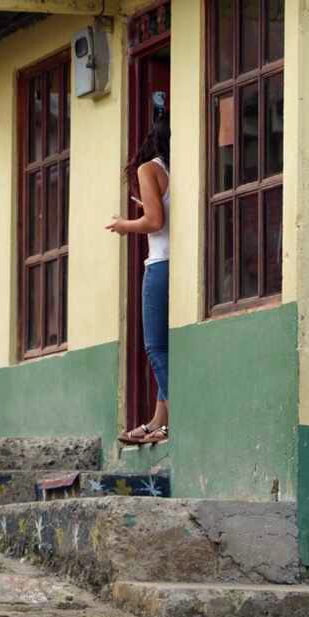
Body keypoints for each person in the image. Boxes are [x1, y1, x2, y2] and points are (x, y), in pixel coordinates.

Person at [106, 112, 170, 445]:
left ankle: (175, 418)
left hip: (160, 265)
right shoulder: (179, 169)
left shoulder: (150, 169)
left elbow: (155, 221)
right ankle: (159, 420)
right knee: (168, 347)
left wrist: (124, 224)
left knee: (156, 347)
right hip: (181, 264)